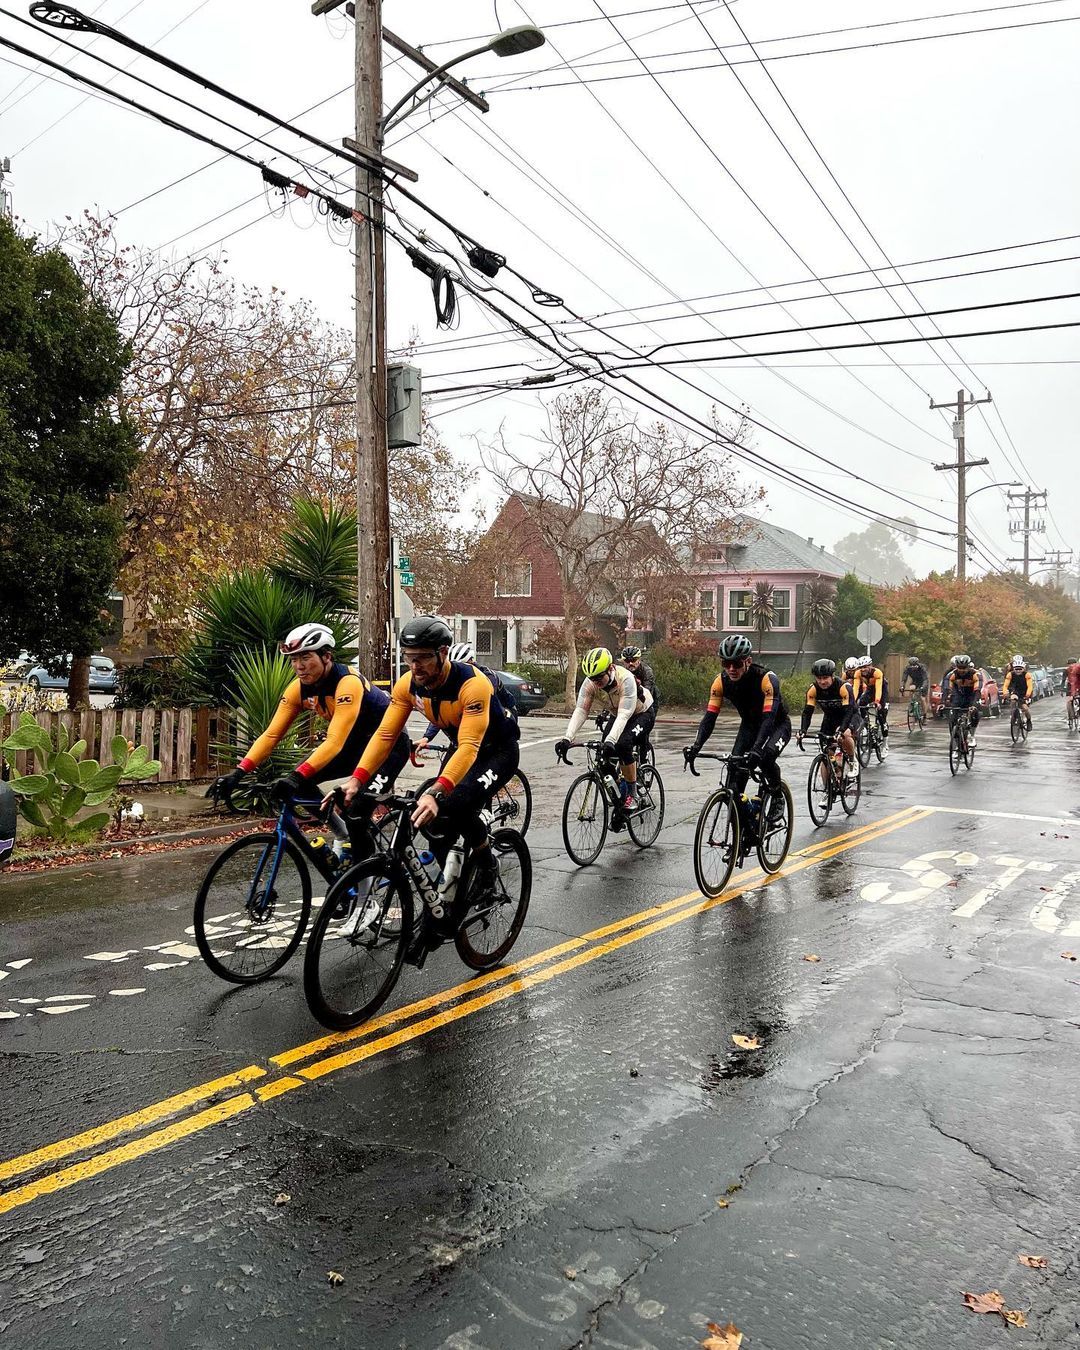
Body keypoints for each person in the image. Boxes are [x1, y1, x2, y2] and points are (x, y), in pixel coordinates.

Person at [341, 616, 520, 891]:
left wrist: (437, 792)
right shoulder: (408, 685)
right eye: (409, 657)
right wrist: (357, 779)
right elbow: (386, 735)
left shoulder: (473, 684)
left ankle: (486, 864)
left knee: (456, 804)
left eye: (423, 658)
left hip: (497, 752)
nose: (415, 666)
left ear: (443, 653)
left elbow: (471, 746)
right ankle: (451, 888)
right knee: (434, 823)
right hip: (459, 748)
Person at [212, 621, 410, 810]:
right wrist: (239, 773)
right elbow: (271, 735)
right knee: (300, 782)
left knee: (357, 811)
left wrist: (296, 777)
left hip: (389, 747)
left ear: (326, 657)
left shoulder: (347, 683)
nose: (299, 666)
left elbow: (334, 742)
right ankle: (340, 834)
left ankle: (366, 838)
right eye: (294, 659)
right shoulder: (297, 689)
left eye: (306, 657)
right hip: (354, 746)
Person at [682, 635, 791, 813]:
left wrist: (757, 749)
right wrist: (696, 746)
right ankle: (746, 825)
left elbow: (769, 718)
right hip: (749, 726)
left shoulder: (766, 679)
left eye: (737, 664)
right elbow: (710, 717)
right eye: (726, 664)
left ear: (748, 661)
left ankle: (777, 795)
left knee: (765, 758)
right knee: (733, 783)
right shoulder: (720, 682)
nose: (731, 669)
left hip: (777, 725)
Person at [555, 647, 654, 812]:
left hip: (641, 713)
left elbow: (624, 715)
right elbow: (581, 711)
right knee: (603, 755)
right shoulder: (591, 683)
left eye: (599, 677)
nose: (596, 682)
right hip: (617, 713)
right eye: (592, 678)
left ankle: (632, 794)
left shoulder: (626, 679)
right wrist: (567, 738)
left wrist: (611, 741)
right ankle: (618, 790)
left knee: (622, 744)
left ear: (610, 669)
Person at [411, 641, 517, 759]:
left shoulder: (486, 677)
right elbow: (442, 712)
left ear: (471, 662)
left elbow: (483, 711)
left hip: (505, 713)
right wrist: (427, 737)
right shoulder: (455, 680)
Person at [796, 658, 860, 776]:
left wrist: (841, 730)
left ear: (832, 676)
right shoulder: (813, 689)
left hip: (849, 715)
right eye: (819, 678)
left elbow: (848, 711)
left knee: (844, 735)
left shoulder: (843, 687)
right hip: (830, 718)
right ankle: (832, 778)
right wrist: (803, 730)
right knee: (827, 753)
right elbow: (807, 712)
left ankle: (852, 760)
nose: (822, 682)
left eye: (825, 678)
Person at [945, 654, 983, 744]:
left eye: (964, 668)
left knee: (975, 713)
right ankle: (955, 743)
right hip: (959, 695)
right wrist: (944, 701)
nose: (961, 670)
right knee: (952, 718)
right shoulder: (952, 674)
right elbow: (947, 689)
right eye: (959, 667)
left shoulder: (975, 674)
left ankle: (972, 736)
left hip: (972, 695)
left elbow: (977, 690)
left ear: (968, 666)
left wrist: (974, 704)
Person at [852, 654, 889, 738]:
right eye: (861, 667)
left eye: (865, 667)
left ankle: (885, 740)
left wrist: (877, 701)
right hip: (870, 689)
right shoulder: (858, 673)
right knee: (861, 702)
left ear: (871, 666)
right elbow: (855, 688)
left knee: (881, 714)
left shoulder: (877, 672)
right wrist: (852, 701)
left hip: (882, 689)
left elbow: (879, 688)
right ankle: (865, 725)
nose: (863, 669)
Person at [619, 645, 661, 712]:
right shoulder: (621, 672)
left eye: (633, 660)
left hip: (649, 699)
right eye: (627, 661)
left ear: (639, 659)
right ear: (623, 662)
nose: (630, 663)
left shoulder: (647, 671)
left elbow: (647, 693)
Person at [1002, 654, 1034, 730]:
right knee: (1013, 699)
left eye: (1020, 669)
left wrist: (1028, 694)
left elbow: (1030, 686)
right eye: (1016, 669)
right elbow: (1005, 685)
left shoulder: (1027, 675)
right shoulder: (1010, 674)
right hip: (1015, 690)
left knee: (1025, 709)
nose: (1018, 671)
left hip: (1025, 692)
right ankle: (1013, 715)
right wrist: (1005, 693)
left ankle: (1029, 721)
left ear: (1023, 668)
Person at [899, 655, 930, 723]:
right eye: (911, 665)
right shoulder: (907, 668)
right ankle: (912, 704)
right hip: (915, 681)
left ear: (917, 664)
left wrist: (923, 687)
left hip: (923, 682)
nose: (913, 667)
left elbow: (925, 679)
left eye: (914, 665)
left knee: (922, 698)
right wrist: (902, 686)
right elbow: (904, 679)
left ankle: (924, 716)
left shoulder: (922, 668)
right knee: (911, 689)